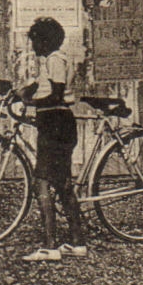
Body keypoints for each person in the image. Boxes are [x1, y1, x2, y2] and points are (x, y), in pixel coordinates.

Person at [14, 17, 87, 262]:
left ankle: (50, 245)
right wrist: (22, 92)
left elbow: (55, 95)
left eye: (35, 41)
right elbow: (39, 86)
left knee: (42, 182)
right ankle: (77, 242)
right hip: (55, 123)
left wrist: (31, 102)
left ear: (45, 41)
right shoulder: (50, 62)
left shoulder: (56, 60)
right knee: (62, 182)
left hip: (55, 123)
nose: (33, 47)